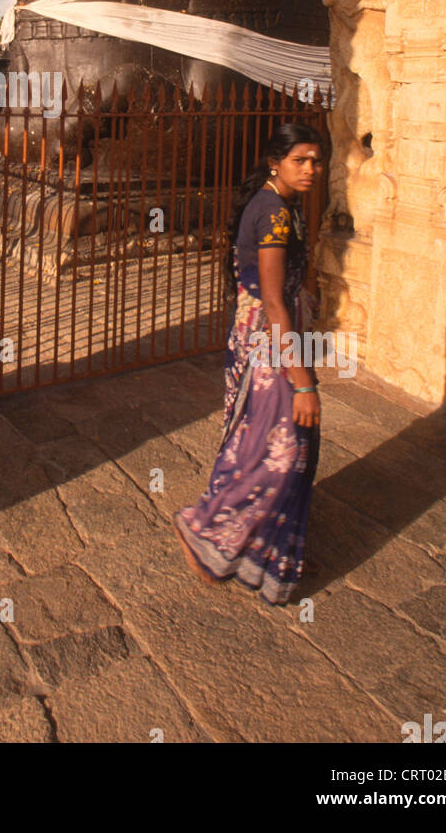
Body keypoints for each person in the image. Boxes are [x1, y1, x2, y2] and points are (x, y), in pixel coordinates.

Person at [174, 122, 325, 604]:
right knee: (281, 452)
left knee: (261, 441)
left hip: (269, 333)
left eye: (316, 160)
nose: (311, 169)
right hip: (270, 339)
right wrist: (302, 382)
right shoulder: (274, 212)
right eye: (300, 160)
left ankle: (255, 547)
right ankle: (206, 530)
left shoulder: (281, 204)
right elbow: (275, 301)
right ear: (274, 162)